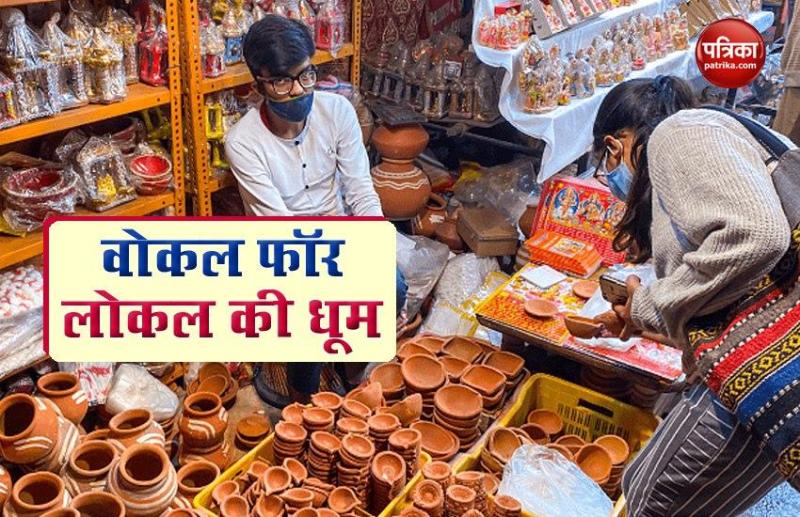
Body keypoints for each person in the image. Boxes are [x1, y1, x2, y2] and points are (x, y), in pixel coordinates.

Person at [591, 75, 797, 516]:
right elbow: (736, 283)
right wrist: (647, 319)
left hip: (771, 366)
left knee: (649, 495)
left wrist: (650, 304)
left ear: (613, 146)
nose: (612, 179)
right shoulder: (712, 137)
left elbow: (757, 237)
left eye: (605, 165)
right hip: (777, 366)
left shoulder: (677, 134)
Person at [225, 15, 396, 405]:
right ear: (258, 84)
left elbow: (360, 190)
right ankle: (301, 402)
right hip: (280, 248)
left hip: (338, 234)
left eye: (305, 75)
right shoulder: (242, 141)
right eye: (281, 82)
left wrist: (373, 242)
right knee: (316, 306)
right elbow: (280, 226)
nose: (298, 90)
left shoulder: (337, 111)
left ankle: (351, 370)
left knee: (392, 285)